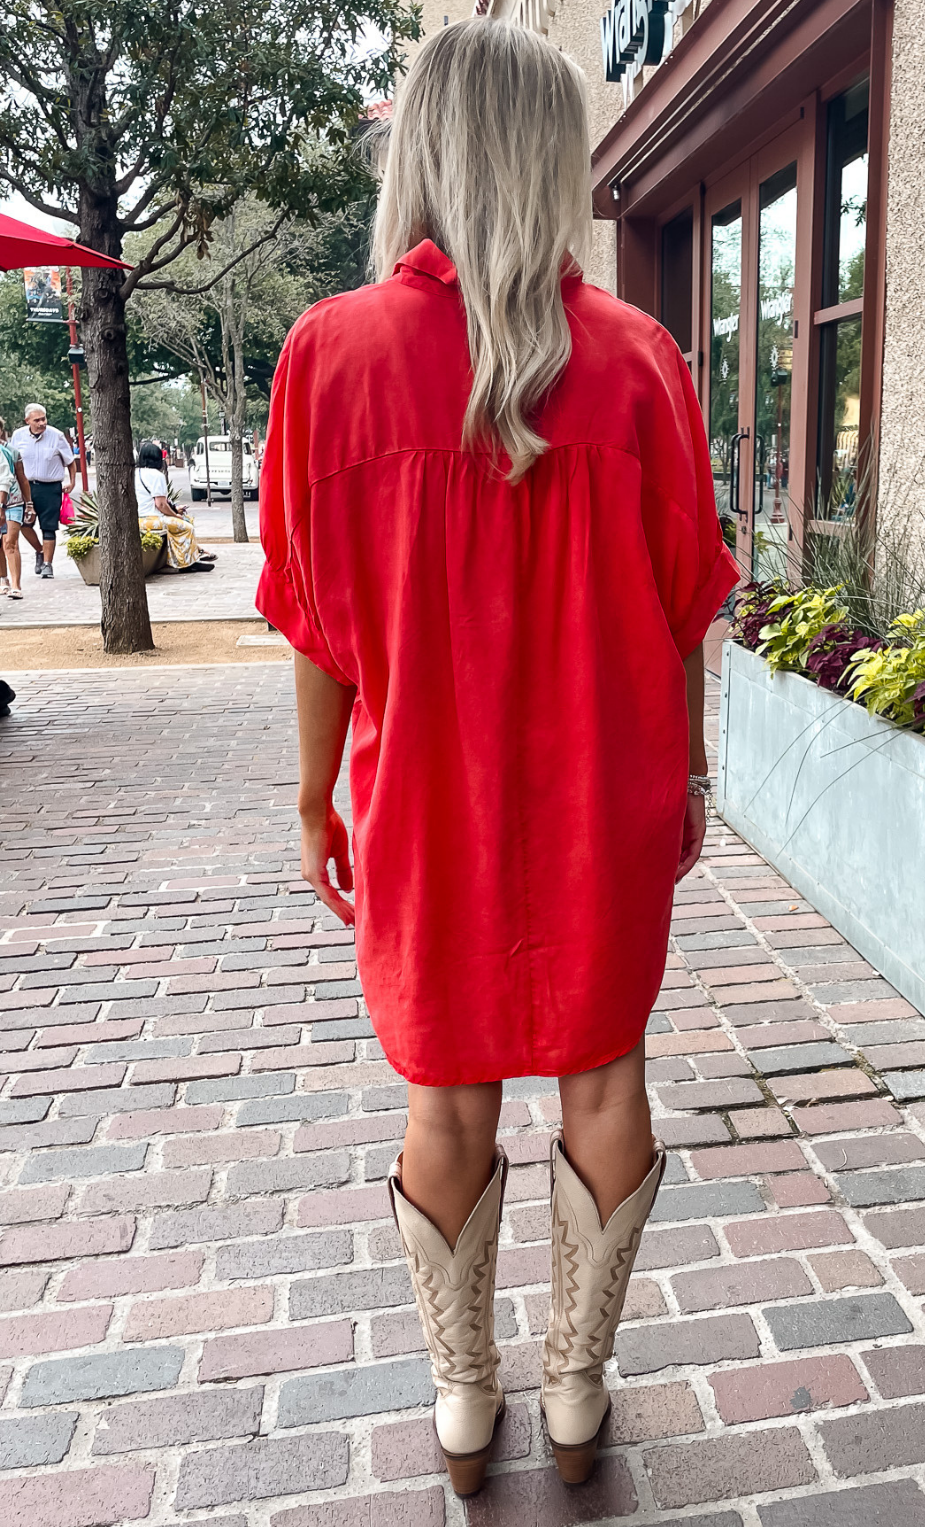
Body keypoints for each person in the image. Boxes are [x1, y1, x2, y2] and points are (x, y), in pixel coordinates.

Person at [257, 18, 739, 1498]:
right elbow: (684, 608)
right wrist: (693, 774)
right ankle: (577, 1384)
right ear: (548, 162)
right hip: (606, 790)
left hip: (420, 798)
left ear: (421, 149)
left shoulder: (328, 357)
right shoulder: (640, 361)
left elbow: (317, 626)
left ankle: (467, 1403)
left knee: (446, 1091)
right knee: (605, 1069)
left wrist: (314, 791)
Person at [10, 404, 75, 579]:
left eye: (43, 419)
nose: (41, 423)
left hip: (50, 487)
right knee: (24, 523)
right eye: (37, 420)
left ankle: (47, 564)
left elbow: (70, 461)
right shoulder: (18, 436)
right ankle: (39, 550)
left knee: (48, 526)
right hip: (26, 487)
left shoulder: (56, 436)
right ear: (27, 421)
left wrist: (72, 482)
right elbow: (11, 460)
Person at [134, 440, 214, 572]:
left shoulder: (135, 473)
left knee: (180, 524)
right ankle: (187, 563)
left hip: (139, 518)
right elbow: (160, 504)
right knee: (187, 526)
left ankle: (193, 556)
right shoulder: (157, 476)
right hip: (152, 520)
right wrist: (176, 515)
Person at [0, 416, 36, 600]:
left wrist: (29, 503)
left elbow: (22, 478)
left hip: (13, 501)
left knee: (10, 542)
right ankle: (3, 578)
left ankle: (16, 584)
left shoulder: (11, 452)